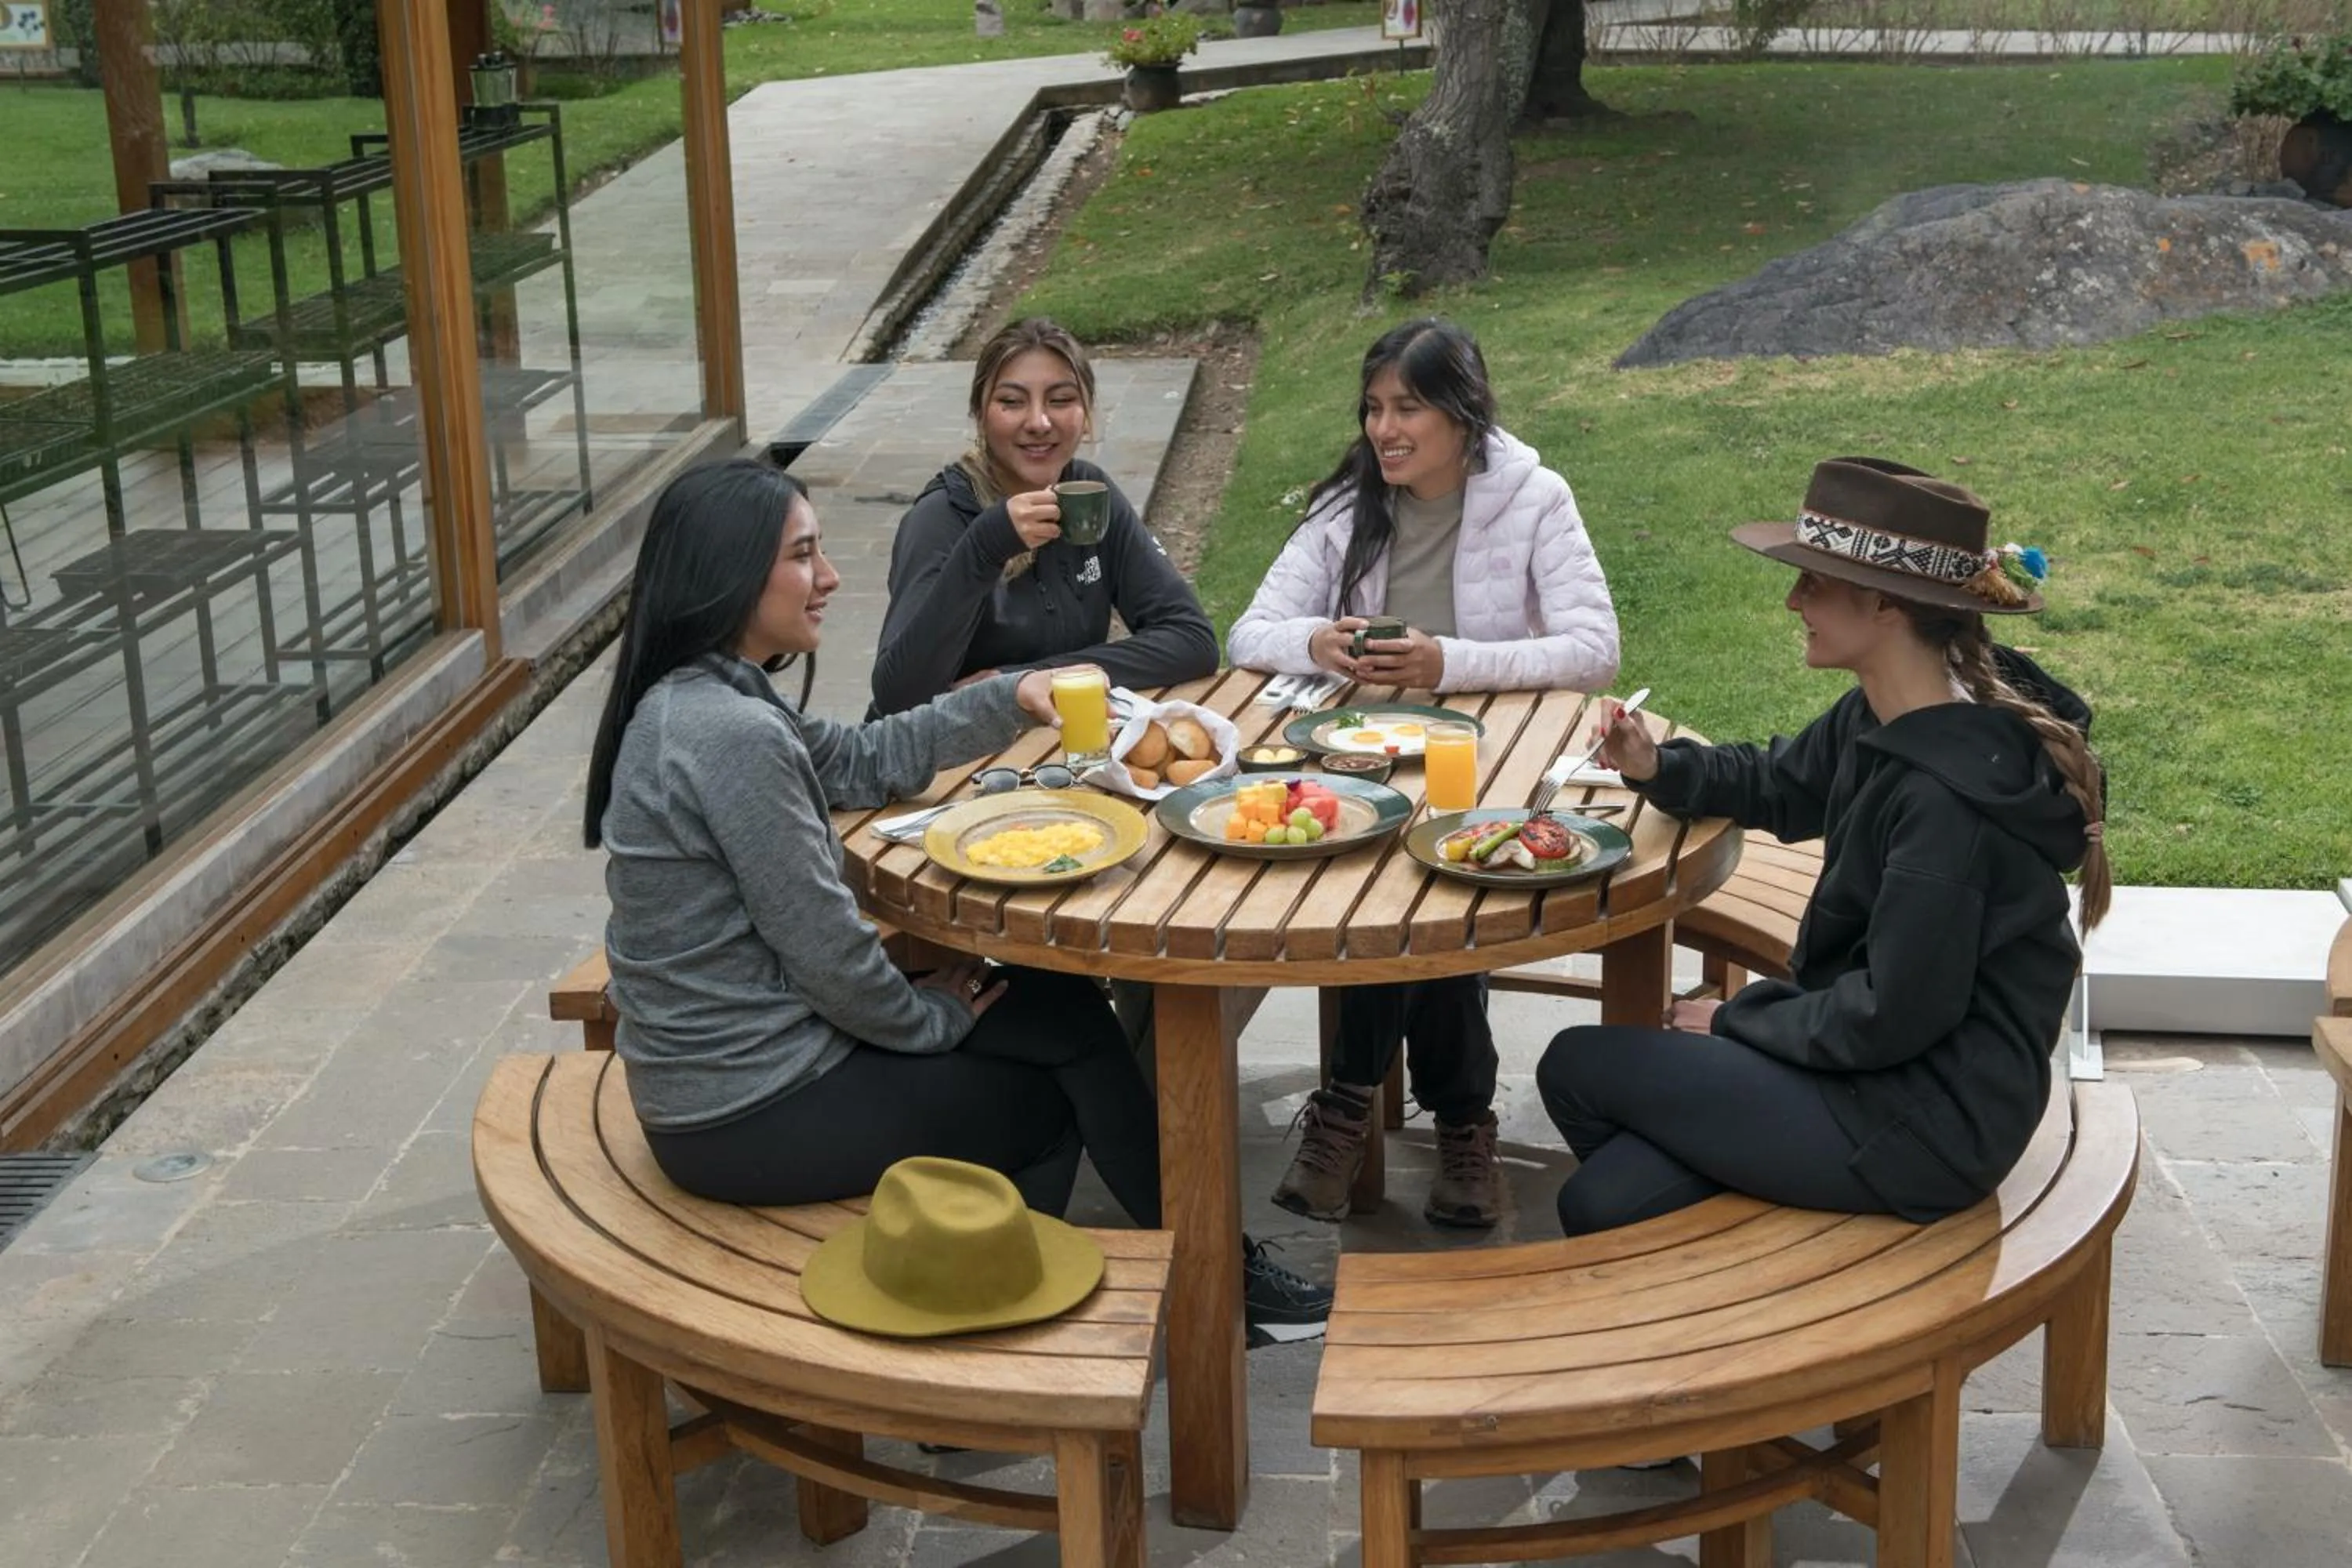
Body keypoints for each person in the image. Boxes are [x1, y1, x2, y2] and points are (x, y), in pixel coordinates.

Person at [586, 461, 1321, 1338]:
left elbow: (858, 762)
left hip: (726, 1074)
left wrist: (1009, 699)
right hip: (742, 1106)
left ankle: (1212, 1279)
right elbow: (828, 955)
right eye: (804, 555)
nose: (829, 577)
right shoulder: (728, 735)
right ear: (731, 575)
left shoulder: (709, 696)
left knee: (1060, 1005)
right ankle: (986, 1343)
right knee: (1046, 1100)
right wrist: (932, 1019)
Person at [1537, 456, 2109, 1238]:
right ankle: (1733, 1296)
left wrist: (1740, 1019)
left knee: (1575, 1064)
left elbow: (1889, 1016)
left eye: (1813, 582)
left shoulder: (1948, 804)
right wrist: (1654, 764)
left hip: (1929, 1119)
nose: (1792, 599)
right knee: (1596, 1201)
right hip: (1879, 1067)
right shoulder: (1893, 710)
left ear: (1883, 604)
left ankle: (1784, 1289)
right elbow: (1780, 781)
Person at [1228, 318, 1620, 1229]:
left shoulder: (1534, 495)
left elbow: (1596, 649)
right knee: (1393, 886)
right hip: (1362, 756)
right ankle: (1458, 1125)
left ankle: (1351, 1104)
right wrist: (1315, 639)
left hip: (1487, 758)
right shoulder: (1346, 506)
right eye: (1373, 408)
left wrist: (1450, 662)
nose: (1384, 429)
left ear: (1463, 411)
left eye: (1408, 407)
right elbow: (1249, 631)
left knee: (1432, 888)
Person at [868, 318, 1218, 718]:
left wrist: (1025, 680)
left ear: (1086, 414)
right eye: (1012, 402)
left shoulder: (1087, 492)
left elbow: (1192, 639)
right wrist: (985, 547)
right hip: (947, 768)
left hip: (1055, 749)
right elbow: (898, 698)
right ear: (980, 414)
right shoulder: (940, 518)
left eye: (1061, 399)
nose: (1038, 423)